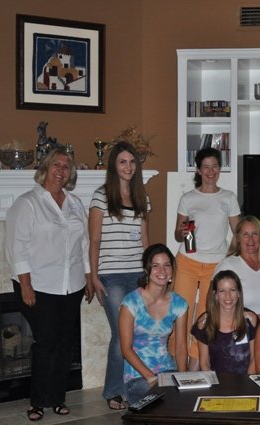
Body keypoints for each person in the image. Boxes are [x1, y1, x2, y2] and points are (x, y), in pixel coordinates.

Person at [5, 148, 92, 421]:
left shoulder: (75, 203)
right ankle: (37, 401)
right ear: (45, 168)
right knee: (46, 342)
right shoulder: (27, 203)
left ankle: (57, 398)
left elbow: (84, 243)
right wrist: (25, 284)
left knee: (65, 342)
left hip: (72, 285)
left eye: (66, 167)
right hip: (39, 285)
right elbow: (17, 247)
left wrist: (89, 276)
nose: (61, 170)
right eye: (56, 164)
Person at [88, 141, 150, 410]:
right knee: (120, 334)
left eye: (132, 162)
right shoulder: (100, 196)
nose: (128, 167)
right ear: (114, 166)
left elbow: (145, 239)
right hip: (111, 276)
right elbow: (94, 240)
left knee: (135, 333)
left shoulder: (142, 198)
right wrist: (93, 276)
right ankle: (113, 390)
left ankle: (133, 387)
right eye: (123, 162)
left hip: (137, 274)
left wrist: (149, 274)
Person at [172, 147, 240, 369]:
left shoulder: (228, 197)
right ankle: (178, 365)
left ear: (220, 169)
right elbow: (177, 234)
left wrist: (230, 256)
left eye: (215, 166)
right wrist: (181, 232)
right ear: (199, 170)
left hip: (215, 265)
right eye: (206, 167)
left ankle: (196, 367)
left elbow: (238, 232)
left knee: (206, 316)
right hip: (187, 261)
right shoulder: (188, 198)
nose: (211, 171)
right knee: (181, 313)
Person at [119, 244, 188, 403]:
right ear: (146, 270)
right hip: (138, 376)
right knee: (162, 397)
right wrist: (151, 378)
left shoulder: (179, 303)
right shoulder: (131, 303)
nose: (162, 271)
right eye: (155, 266)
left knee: (187, 397)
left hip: (167, 370)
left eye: (166, 265)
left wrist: (184, 378)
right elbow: (126, 349)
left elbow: (181, 347)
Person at [192, 270, 257, 373]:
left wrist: (248, 381)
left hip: (246, 380)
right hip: (216, 381)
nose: (228, 296)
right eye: (222, 291)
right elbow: (204, 364)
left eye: (232, 290)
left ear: (239, 293)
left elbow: (254, 359)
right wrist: (214, 382)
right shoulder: (204, 323)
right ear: (215, 295)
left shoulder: (250, 320)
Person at [213, 215, 260, 317]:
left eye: (255, 234)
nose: (251, 239)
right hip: (240, 324)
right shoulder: (227, 265)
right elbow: (213, 303)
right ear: (238, 238)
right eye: (245, 234)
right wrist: (252, 318)